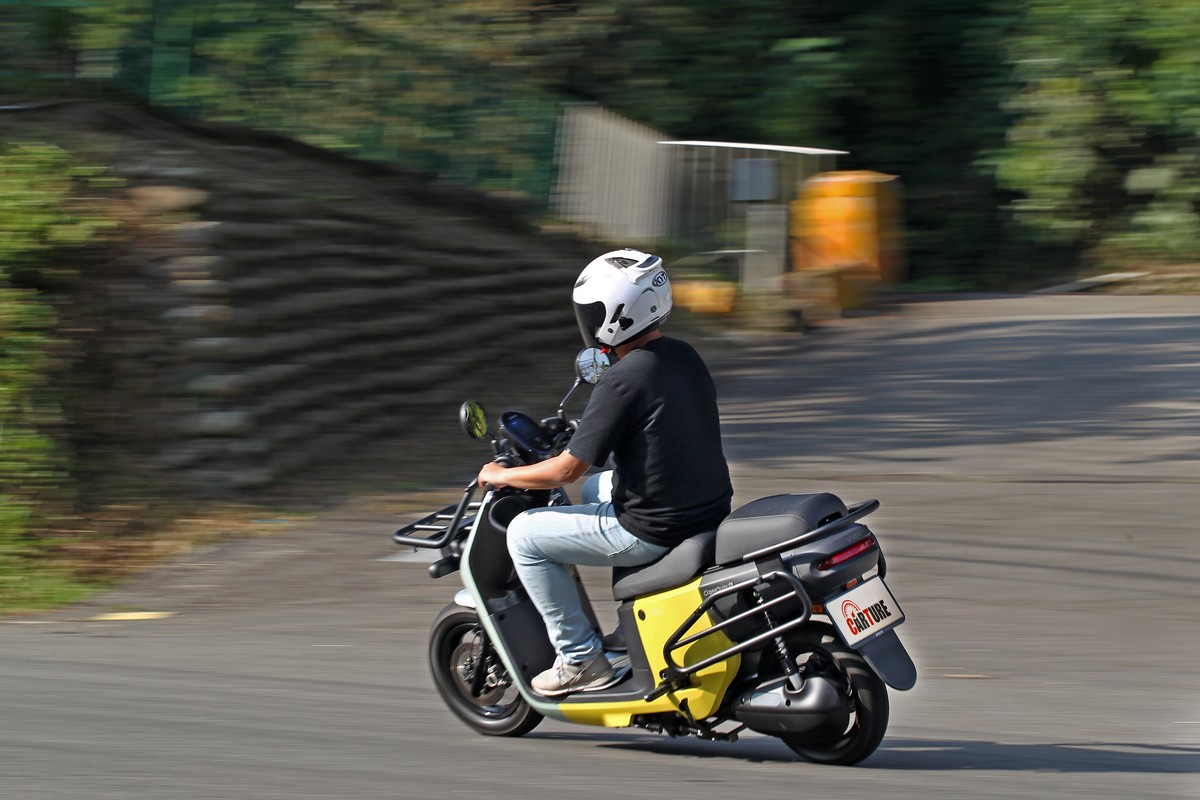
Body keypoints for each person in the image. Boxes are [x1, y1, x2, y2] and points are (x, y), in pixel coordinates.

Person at [476, 248, 733, 696]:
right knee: (600, 485)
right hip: (704, 508)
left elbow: (564, 472)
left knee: (523, 535)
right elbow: (656, 427)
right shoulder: (684, 355)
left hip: (654, 528)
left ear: (614, 315)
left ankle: (580, 659)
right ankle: (632, 627)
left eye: (592, 311)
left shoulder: (623, 377)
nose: (589, 320)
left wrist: (501, 476)